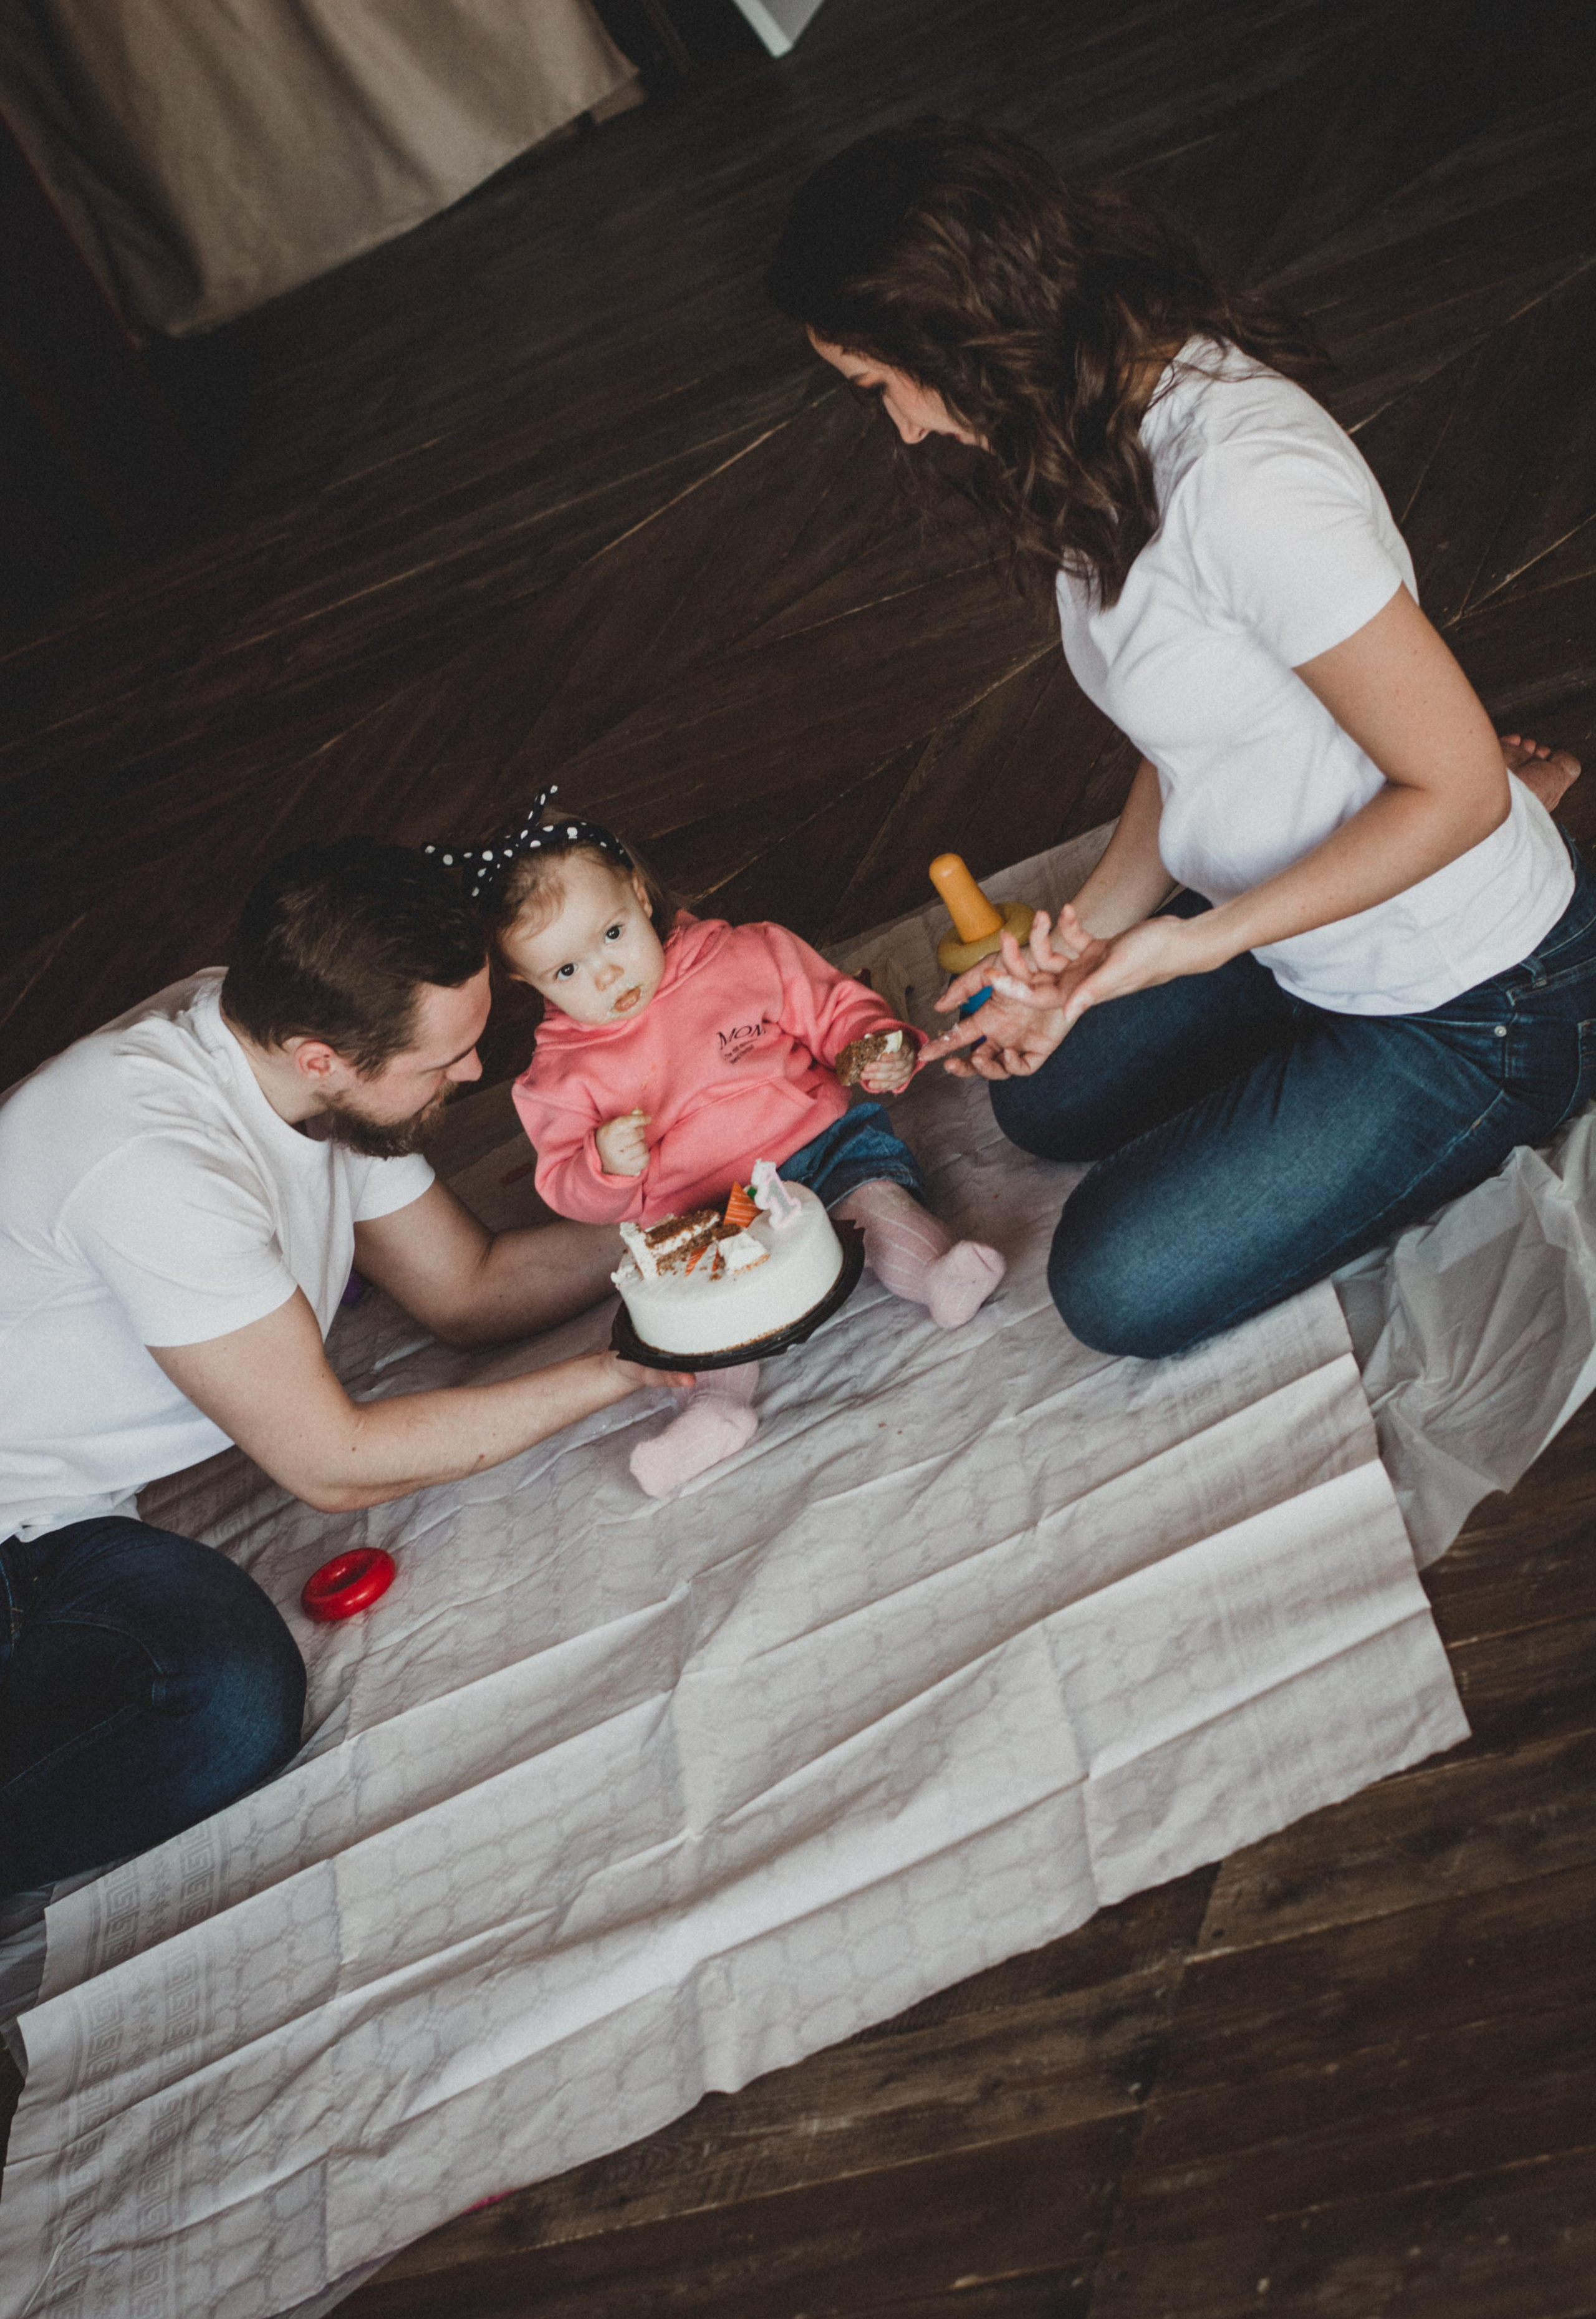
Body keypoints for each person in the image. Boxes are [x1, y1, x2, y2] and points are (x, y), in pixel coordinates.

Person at [767, 119, 1592, 1358]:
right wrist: (1086, 941)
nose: (899, 430)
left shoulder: (1240, 482)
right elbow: (1185, 735)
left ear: (957, 341)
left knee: (1117, 1283)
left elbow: (1460, 788)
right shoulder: (1086, 430)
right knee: (1037, 1091)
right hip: (1299, 936)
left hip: (1466, 994)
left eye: (878, 387)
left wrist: (1195, 945)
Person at [0, 839, 688, 1899]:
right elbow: (333, 1463)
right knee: (218, 1699)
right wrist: (627, 1366)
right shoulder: (154, 1163)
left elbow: (467, 1289)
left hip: (62, 1511)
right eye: (443, 1061)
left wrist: (691, 1210)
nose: (472, 1075)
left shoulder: (289, 1050)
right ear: (324, 1056)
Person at [424, 791, 1005, 1495]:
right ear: (523, 979)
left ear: (637, 892)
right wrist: (603, 1166)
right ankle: (713, 1411)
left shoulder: (745, 953)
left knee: (879, 1207)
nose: (606, 975)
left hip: (821, 1146)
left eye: (612, 934)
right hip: (707, 1212)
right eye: (566, 972)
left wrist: (869, 1042)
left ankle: (938, 1270)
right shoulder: (557, 1075)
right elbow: (563, 1185)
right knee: (705, 1323)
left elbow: (833, 1007)